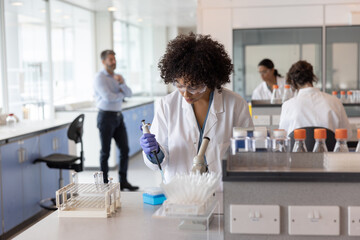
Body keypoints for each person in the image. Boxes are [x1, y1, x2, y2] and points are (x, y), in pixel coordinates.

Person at [139, 33, 254, 183]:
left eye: (193, 87)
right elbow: (159, 162)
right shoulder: (166, 105)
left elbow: (248, 152)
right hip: (180, 189)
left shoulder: (235, 104)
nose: (185, 93)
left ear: (210, 80)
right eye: (179, 85)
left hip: (221, 188)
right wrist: (155, 152)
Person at [94, 50, 139, 191]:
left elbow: (129, 94)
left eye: (114, 59)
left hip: (118, 117)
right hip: (105, 117)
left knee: (125, 149)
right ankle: (104, 183)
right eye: (110, 59)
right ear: (103, 61)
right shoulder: (99, 78)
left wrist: (122, 84)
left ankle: (123, 181)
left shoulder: (117, 77)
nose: (114, 62)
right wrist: (121, 94)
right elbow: (108, 97)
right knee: (105, 152)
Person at [279, 60, 351, 136]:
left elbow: (282, 136)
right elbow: (347, 135)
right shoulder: (335, 101)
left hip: (298, 147)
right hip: (329, 148)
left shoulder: (288, 105)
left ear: (293, 82)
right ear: (312, 78)